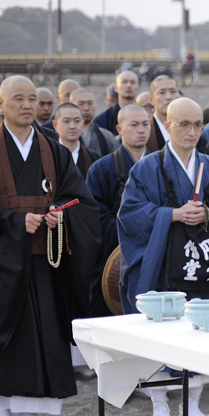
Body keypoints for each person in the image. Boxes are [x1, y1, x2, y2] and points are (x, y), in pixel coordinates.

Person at [118, 97, 209, 416]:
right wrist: (171, 215)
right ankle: (160, 408)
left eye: (197, 125)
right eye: (183, 125)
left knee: (203, 337)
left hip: (204, 267)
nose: (192, 132)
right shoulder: (146, 169)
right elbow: (130, 213)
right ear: (167, 124)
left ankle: (192, 407)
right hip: (164, 270)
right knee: (162, 339)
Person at [0, 76, 100, 416]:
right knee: (5, 339)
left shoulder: (51, 149)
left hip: (44, 261)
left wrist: (59, 215)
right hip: (0, 262)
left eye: (32, 99)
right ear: (0, 104)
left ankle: (31, 414)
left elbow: (80, 200)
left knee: (42, 336)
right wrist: (14, 220)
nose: (26, 105)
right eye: (17, 98)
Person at [86, 104, 150, 317]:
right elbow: (95, 216)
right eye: (134, 125)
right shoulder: (101, 169)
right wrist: (133, 232)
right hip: (113, 259)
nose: (141, 130)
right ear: (119, 129)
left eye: (145, 124)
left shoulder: (162, 165)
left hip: (156, 255)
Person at [52, 103, 94, 177]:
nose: (72, 126)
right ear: (55, 125)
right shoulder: (47, 157)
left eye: (77, 121)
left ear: (83, 123)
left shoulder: (94, 159)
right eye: (66, 121)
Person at [72, 89, 116, 158]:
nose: (86, 108)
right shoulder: (63, 135)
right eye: (81, 104)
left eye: (90, 103)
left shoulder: (107, 136)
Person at [147, 74, 180, 151]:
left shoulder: (188, 129)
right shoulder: (145, 131)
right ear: (151, 99)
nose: (168, 97)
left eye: (173, 91)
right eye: (162, 92)